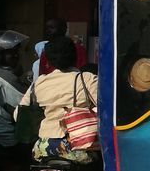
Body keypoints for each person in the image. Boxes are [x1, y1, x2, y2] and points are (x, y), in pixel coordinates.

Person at [15, 35, 99, 163]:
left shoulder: (40, 82)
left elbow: (18, 114)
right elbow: (106, 111)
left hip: (43, 147)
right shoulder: (87, 79)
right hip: (77, 146)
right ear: (74, 56)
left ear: (48, 60)